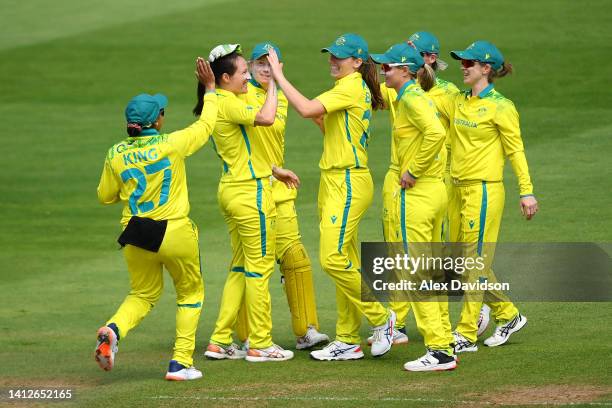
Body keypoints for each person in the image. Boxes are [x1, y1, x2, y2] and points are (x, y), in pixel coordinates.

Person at [267, 33, 397, 361]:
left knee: (332, 258)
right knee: (346, 260)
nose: (332, 60)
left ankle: (382, 318)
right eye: (331, 55)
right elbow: (325, 123)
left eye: (340, 56)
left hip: (348, 182)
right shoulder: (347, 88)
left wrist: (279, 77)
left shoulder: (352, 86)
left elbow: (307, 108)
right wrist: (319, 118)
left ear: (357, 62)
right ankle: (348, 338)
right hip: (334, 180)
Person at [95, 58, 217, 381]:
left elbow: (105, 196)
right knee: (191, 294)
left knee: (142, 294)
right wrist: (211, 90)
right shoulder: (171, 144)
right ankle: (180, 363)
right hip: (174, 230)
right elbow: (206, 127)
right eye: (162, 112)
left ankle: (113, 330)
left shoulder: (114, 153)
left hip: (134, 232)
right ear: (157, 121)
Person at [195, 44, 298, 362]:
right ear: (225, 78)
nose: (247, 77)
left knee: (240, 267)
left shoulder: (217, 99)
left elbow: (243, 148)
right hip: (251, 196)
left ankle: (219, 339)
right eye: (242, 72)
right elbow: (267, 117)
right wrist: (275, 81)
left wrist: (274, 170)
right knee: (259, 269)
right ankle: (261, 343)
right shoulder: (228, 102)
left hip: (232, 189)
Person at [437, 40, 538, 352]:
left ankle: (466, 333)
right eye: (461, 62)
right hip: (457, 190)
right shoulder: (457, 100)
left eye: (470, 63)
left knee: (474, 263)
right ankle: (508, 315)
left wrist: (527, 191)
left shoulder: (502, 107)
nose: (463, 67)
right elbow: (430, 91)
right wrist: (424, 62)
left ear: (487, 69)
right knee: (460, 260)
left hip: (484, 191)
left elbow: (515, 151)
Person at [232, 42, 329, 350]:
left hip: (279, 193)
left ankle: (306, 330)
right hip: (248, 191)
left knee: (296, 259)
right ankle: (247, 337)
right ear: (248, 67)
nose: (264, 68)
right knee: (251, 264)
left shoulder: (283, 98)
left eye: (270, 63)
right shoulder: (238, 95)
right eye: (259, 63)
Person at [371, 43, 456, 371]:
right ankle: (445, 340)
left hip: (418, 195)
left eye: (389, 67)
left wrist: (413, 170)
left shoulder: (410, 98)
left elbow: (435, 133)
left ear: (405, 71)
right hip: (434, 192)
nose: (384, 71)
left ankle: (439, 350)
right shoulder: (414, 96)